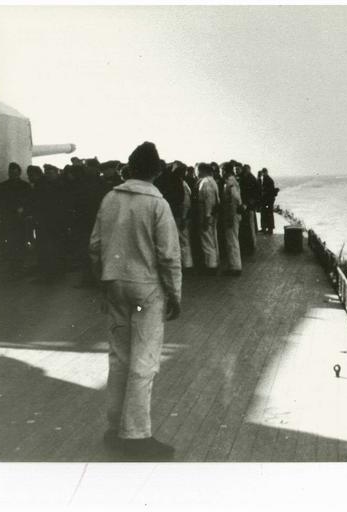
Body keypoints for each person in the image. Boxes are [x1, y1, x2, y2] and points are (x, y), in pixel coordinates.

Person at [89, 141, 181, 461]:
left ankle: (115, 427)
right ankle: (136, 435)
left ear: (130, 168)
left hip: (115, 285)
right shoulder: (158, 204)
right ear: (156, 171)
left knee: (119, 358)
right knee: (144, 362)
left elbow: (95, 245)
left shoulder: (110, 198)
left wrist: (103, 284)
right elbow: (168, 256)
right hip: (146, 292)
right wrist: (175, 294)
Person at [0, 162, 31, 274]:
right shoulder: (22, 186)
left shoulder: (5, 186)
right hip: (11, 219)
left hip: (17, 219)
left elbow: (30, 202)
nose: (13, 175)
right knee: (12, 242)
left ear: (19, 173)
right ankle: (15, 265)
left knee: (18, 242)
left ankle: (18, 264)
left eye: (15, 173)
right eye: (11, 173)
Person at [197, 162, 220, 275]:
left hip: (207, 215)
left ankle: (211, 266)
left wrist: (206, 217)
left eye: (198, 171)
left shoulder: (205, 183)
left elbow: (208, 201)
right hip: (212, 214)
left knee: (207, 240)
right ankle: (214, 263)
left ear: (202, 171)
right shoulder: (212, 181)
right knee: (212, 239)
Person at [220, 163, 243, 276]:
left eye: (221, 170)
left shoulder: (230, 183)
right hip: (232, 214)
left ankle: (235, 268)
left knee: (232, 241)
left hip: (231, 215)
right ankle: (233, 265)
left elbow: (234, 199)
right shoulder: (231, 181)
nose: (220, 172)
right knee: (232, 240)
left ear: (224, 171)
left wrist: (230, 216)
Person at [174, 164, 194, 271]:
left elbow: (186, 203)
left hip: (182, 216)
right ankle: (187, 263)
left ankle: (187, 264)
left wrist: (183, 217)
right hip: (184, 215)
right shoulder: (184, 184)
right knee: (184, 240)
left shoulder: (181, 185)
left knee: (183, 240)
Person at [237, 164, 259, 256]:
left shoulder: (250, 179)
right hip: (249, 206)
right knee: (249, 227)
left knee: (250, 227)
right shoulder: (249, 178)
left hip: (248, 206)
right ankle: (250, 246)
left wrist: (248, 203)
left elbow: (254, 193)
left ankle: (251, 247)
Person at [259, 168, 278, 234]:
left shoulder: (268, 180)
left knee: (269, 214)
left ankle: (269, 229)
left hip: (268, 199)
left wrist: (264, 192)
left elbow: (269, 190)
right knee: (267, 214)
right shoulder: (266, 179)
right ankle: (267, 228)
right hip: (267, 199)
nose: (263, 174)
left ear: (266, 172)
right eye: (263, 172)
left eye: (264, 172)